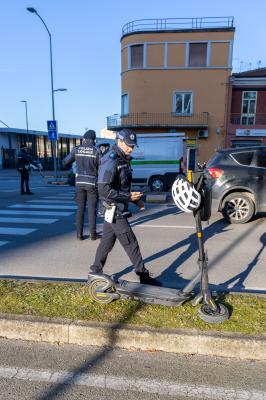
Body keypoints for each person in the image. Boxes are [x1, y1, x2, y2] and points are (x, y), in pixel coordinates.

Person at [89, 129, 161, 286]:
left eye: (133, 146)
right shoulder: (111, 160)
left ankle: (94, 271)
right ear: (119, 142)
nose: (131, 148)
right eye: (129, 145)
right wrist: (128, 197)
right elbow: (104, 189)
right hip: (114, 209)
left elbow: (121, 186)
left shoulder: (123, 158)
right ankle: (143, 275)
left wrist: (136, 200)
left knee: (106, 243)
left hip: (115, 208)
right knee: (131, 243)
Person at [62, 130, 101, 241]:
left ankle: (79, 234)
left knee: (80, 208)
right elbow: (101, 166)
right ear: (93, 140)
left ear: (84, 138)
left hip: (79, 183)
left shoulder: (76, 149)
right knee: (92, 209)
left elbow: (65, 162)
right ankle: (93, 235)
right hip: (92, 183)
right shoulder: (96, 150)